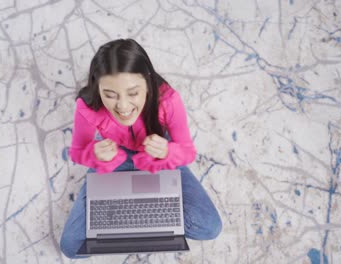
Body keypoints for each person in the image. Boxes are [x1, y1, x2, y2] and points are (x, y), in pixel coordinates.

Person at [59, 38, 222, 259]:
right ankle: (137, 223)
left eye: (133, 93)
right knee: (71, 246)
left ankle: (139, 222)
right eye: (110, 95)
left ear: (148, 83)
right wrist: (94, 154)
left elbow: (187, 151)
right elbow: (78, 152)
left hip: (157, 156)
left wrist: (167, 152)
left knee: (210, 227)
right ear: (97, 87)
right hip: (113, 158)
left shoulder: (168, 100)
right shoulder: (87, 105)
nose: (123, 107)